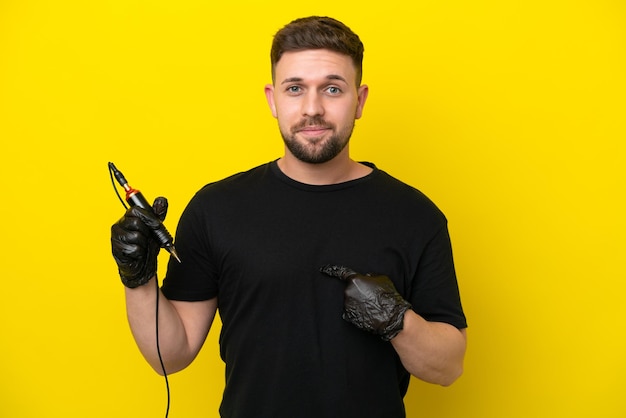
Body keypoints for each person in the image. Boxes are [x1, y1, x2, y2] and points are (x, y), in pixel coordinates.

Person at [111, 16, 467, 418]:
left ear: (360, 100)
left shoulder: (415, 215)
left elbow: (449, 367)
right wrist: (137, 280)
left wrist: (397, 320)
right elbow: (170, 357)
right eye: (295, 89)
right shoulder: (217, 208)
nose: (312, 109)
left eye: (332, 89)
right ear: (272, 99)